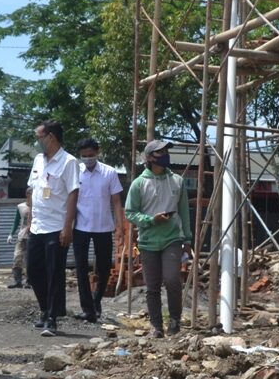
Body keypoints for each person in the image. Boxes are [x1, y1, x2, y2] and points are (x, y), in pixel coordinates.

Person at [125, 139, 193, 338]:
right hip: (148, 241)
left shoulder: (178, 181)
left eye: (166, 151)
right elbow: (130, 212)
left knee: (172, 279)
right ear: (149, 158)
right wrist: (150, 220)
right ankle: (156, 326)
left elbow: (184, 213)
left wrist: (187, 241)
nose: (165, 155)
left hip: (172, 239)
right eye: (160, 153)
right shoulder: (139, 184)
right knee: (152, 286)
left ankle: (175, 321)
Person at [26, 120, 79, 337]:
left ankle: (51, 318)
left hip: (57, 227)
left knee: (54, 273)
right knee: (33, 271)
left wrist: (68, 227)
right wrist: (29, 222)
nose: (37, 142)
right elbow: (31, 191)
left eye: (39, 137)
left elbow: (74, 194)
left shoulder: (69, 162)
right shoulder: (39, 159)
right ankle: (44, 308)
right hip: (37, 226)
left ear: (51, 137)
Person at [72, 137, 125, 323]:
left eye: (91, 155)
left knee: (103, 268)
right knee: (80, 267)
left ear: (97, 152)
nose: (87, 158)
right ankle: (87, 308)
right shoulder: (75, 172)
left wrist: (120, 227)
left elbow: (117, 201)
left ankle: (96, 301)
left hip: (104, 226)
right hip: (80, 226)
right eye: (84, 156)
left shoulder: (109, 172)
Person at [5, 201, 30, 288]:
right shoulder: (21, 207)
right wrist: (11, 234)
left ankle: (29, 282)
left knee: (29, 260)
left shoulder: (38, 205)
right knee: (17, 257)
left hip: (33, 236)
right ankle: (18, 281)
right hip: (22, 236)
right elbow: (16, 221)